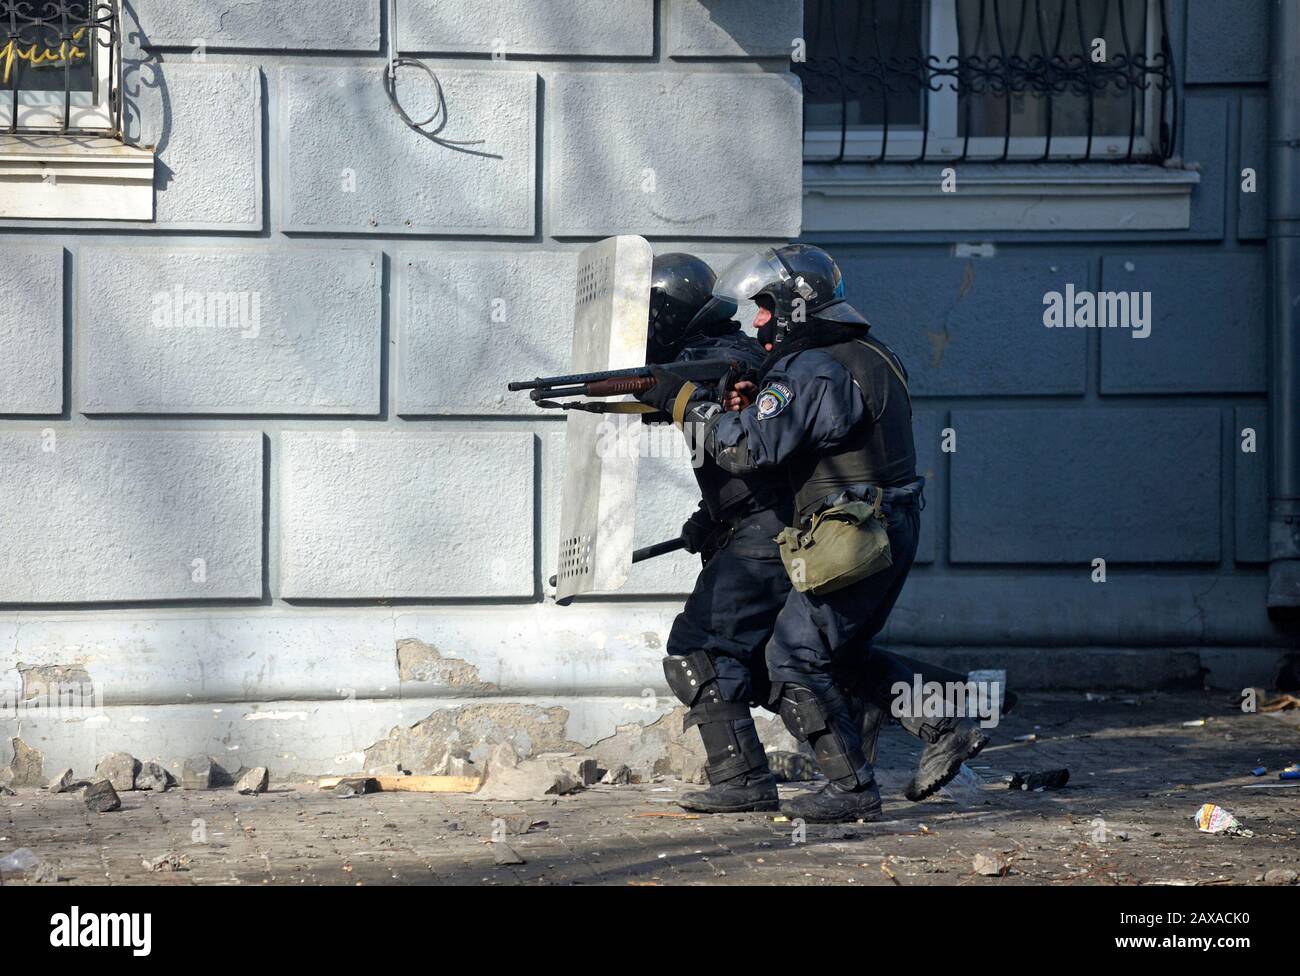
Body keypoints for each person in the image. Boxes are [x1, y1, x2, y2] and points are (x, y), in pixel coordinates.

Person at [638, 245, 990, 822]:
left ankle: (849, 789)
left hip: (852, 531)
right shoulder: (865, 353)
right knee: (826, 652)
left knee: (794, 654)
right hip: (879, 525)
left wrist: (687, 403)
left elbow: (747, 447)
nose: (757, 321)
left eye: (766, 308)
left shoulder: (812, 369)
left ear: (796, 306)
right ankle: (948, 713)